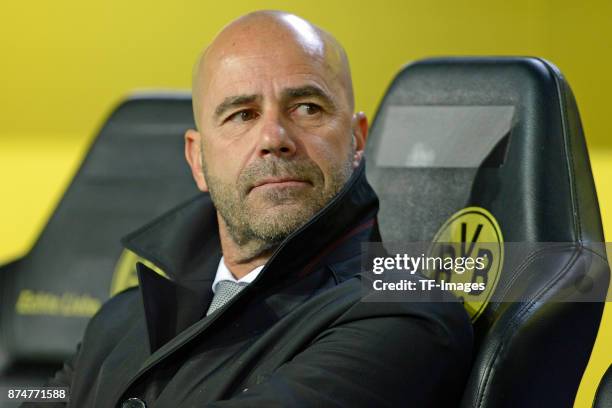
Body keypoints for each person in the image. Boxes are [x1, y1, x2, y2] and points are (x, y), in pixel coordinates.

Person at [27, 10, 473, 407]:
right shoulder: (122, 318)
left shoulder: (402, 315)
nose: (273, 137)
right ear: (197, 160)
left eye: (306, 107)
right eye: (242, 114)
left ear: (357, 141)